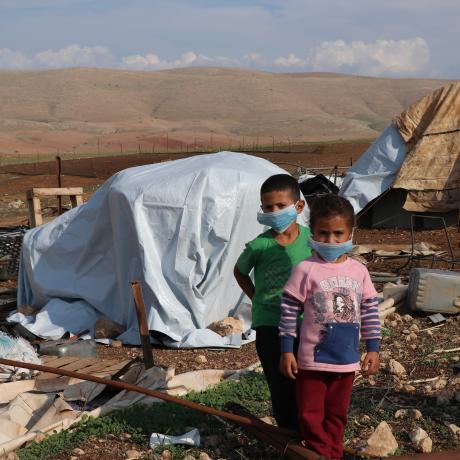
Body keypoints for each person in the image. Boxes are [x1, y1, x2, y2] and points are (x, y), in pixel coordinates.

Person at [279, 194, 381, 459]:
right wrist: (287, 350)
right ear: (312, 232)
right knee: (310, 413)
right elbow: (289, 312)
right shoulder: (305, 269)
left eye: (338, 234)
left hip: (346, 361)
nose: (331, 240)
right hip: (311, 361)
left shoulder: (359, 271)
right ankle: (324, 453)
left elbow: (370, 310)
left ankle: (330, 452)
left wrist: (373, 348)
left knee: (337, 414)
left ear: (350, 233)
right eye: (323, 233)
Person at [234, 174, 311, 431]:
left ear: (298, 207)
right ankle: (288, 435)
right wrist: (256, 298)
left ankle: (309, 431)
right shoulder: (260, 245)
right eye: (268, 207)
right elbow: (239, 271)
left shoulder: (313, 241)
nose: (273, 212)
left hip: (306, 321)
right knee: (279, 382)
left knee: (308, 380)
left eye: (280, 206)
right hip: (270, 323)